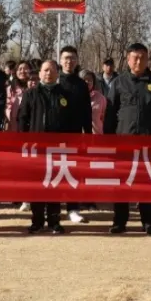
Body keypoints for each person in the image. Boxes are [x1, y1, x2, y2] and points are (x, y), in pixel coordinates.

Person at [104, 43, 151, 235]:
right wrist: (108, 139)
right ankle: (119, 221)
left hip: (150, 142)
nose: (139, 61)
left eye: (143, 57)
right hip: (124, 142)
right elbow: (110, 112)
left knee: (147, 182)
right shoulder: (119, 82)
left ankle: (148, 221)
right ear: (128, 60)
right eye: (135, 57)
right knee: (122, 183)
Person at [17, 59, 78, 233]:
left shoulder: (65, 95)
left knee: (55, 184)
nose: (48, 73)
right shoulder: (31, 94)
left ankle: (54, 221)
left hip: (58, 149)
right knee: (37, 185)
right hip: (36, 149)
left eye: (52, 70)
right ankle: (37, 221)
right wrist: (23, 141)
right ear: (40, 73)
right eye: (45, 70)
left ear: (57, 73)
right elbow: (22, 119)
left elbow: (72, 122)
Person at [58, 46, 92, 225]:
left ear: (77, 61)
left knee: (72, 172)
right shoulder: (55, 81)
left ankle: (73, 208)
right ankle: (53, 208)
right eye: (66, 58)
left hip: (75, 134)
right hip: (55, 135)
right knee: (55, 171)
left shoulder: (81, 85)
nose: (69, 61)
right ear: (60, 60)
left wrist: (87, 134)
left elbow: (87, 111)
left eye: (72, 58)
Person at [5, 61, 30, 130]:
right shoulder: (10, 88)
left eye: (25, 68)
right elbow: (7, 106)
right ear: (16, 72)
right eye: (20, 69)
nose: (22, 71)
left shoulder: (34, 88)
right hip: (13, 124)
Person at [83, 70, 107, 136]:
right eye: (84, 79)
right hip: (80, 136)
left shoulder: (101, 98)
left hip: (97, 135)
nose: (87, 82)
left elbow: (103, 117)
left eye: (90, 80)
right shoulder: (76, 97)